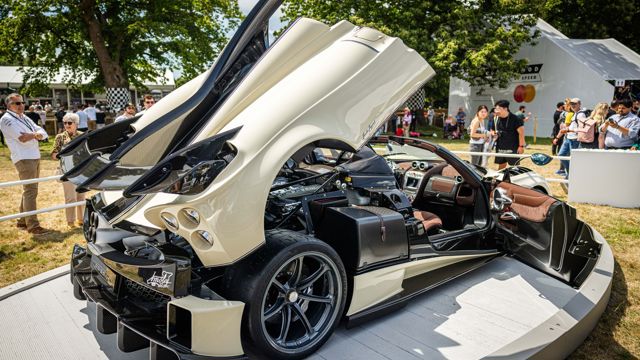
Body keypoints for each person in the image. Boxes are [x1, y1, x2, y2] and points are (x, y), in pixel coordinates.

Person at [0, 93, 51, 235]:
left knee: (29, 189)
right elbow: (22, 138)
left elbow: (43, 132)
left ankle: (22, 221)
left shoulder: (23, 116)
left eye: (22, 102)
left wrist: (34, 134)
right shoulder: (6, 119)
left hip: (34, 156)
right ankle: (33, 225)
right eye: (17, 103)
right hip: (23, 158)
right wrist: (36, 135)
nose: (22, 105)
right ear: (9, 105)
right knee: (30, 191)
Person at [51, 113, 85, 227]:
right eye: (65, 123)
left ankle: (82, 220)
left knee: (81, 196)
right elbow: (54, 155)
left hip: (81, 170)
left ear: (76, 124)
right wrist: (63, 154)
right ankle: (70, 221)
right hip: (67, 170)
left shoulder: (82, 135)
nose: (66, 125)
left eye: (69, 123)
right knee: (70, 197)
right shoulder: (60, 137)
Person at [555, 98, 585, 177]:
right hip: (569, 138)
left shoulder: (581, 114)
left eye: (575, 104)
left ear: (579, 104)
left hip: (575, 139)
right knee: (561, 155)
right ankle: (570, 173)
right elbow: (573, 126)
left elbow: (581, 129)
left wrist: (568, 130)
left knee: (573, 159)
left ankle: (572, 175)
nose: (573, 105)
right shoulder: (575, 113)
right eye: (571, 104)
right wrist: (566, 129)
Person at [493, 100, 525, 170]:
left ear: (505, 108)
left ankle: (514, 180)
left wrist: (521, 146)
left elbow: (521, 133)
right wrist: (494, 135)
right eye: (495, 109)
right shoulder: (496, 118)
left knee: (515, 167)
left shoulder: (516, 119)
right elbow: (493, 130)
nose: (496, 111)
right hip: (500, 146)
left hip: (513, 147)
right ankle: (499, 180)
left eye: (498, 109)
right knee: (501, 166)